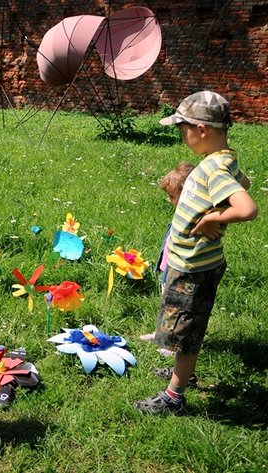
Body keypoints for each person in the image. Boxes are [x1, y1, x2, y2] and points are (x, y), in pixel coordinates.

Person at [135, 91, 257, 414]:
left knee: (185, 333)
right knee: (184, 328)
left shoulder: (213, 169)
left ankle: (174, 397)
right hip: (196, 263)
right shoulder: (224, 160)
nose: (181, 134)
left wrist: (213, 218)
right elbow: (242, 184)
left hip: (193, 268)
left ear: (202, 129)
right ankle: (181, 376)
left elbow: (247, 207)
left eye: (183, 128)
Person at [139, 161, 195, 355]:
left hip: (181, 271)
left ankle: (172, 345)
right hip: (168, 269)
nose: (170, 201)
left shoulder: (195, 217)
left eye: (173, 196)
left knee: (178, 309)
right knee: (166, 305)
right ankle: (160, 334)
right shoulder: (182, 213)